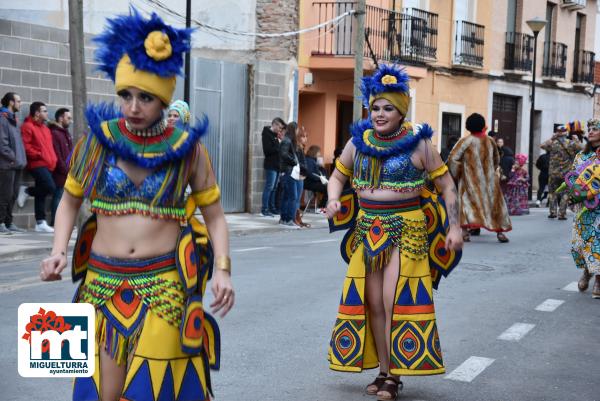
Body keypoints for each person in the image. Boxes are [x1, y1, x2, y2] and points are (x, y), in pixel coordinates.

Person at [39, 9, 234, 400]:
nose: (133, 106)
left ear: (164, 99)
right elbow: (68, 201)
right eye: (126, 95)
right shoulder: (96, 141)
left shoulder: (186, 150)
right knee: (99, 392)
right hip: (100, 285)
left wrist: (223, 271)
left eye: (145, 97)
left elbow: (214, 217)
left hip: (164, 285)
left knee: (155, 391)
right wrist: (58, 251)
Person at [325, 64, 463, 400]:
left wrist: (454, 227)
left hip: (407, 229)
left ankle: (394, 377)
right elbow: (337, 177)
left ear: (401, 112)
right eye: (376, 107)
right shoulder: (358, 143)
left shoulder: (420, 145)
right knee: (373, 303)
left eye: (389, 108)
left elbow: (447, 187)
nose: (380, 114)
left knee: (393, 300)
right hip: (368, 230)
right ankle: (384, 370)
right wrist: (331, 199)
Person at [448, 113, 512, 243]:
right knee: (494, 205)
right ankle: (500, 233)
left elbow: (453, 159)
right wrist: (490, 171)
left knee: (467, 204)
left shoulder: (465, 141)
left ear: (468, 126)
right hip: (489, 180)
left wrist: (459, 172)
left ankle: (465, 233)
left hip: (470, 180)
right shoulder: (490, 141)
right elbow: (496, 159)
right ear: (483, 125)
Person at [561, 119, 600, 298]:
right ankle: (587, 271)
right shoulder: (580, 156)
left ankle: (598, 280)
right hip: (583, 207)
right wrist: (572, 197)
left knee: (597, 242)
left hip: (599, 207)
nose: (590, 132)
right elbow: (573, 180)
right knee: (582, 243)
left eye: (595, 129)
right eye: (589, 129)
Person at [18, 101, 57, 232]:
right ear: (37, 113)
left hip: (48, 164)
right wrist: (40, 154)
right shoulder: (27, 126)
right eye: (44, 111)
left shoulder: (45, 129)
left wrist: (52, 159)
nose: (47, 113)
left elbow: (49, 148)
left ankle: (40, 223)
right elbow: (26, 147)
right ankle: (27, 191)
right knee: (50, 187)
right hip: (36, 163)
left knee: (42, 193)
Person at [541, 124, 580, 220]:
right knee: (566, 193)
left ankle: (553, 212)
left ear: (557, 133)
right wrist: (577, 140)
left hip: (553, 173)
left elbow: (542, 146)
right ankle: (562, 213)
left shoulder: (553, 143)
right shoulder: (571, 143)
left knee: (552, 192)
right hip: (566, 174)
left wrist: (552, 138)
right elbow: (582, 149)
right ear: (566, 133)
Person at [0, 92, 26, 233]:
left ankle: (8, 222)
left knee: (14, 194)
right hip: (7, 164)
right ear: (11, 102)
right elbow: (2, 144)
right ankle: (0, 223)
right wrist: (14, 158)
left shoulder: (13, 119)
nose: (20, 104)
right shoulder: (2, 119)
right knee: (5, 194)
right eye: (18, 101)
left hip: (17, 164)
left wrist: (21, 160)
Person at [48, 107, 73, 226]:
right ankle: (55, 222)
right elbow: (57, 155)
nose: (70, 121)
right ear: (60, 118)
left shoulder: (66, 133)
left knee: (65, 198)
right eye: (68, 118)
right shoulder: (55, 133)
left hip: (68, 172)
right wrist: (66, 170)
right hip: (60, 173)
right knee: (58, 196)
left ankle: (63, 222)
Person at [261, 117, 285, 216]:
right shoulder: (266, 134)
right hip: (271, 165)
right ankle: (264, 209)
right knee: (269, 187)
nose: (280, 130)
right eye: (279, 127)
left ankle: (272, 208)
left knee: (274, 188)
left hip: (277, 165)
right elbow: (267, 151)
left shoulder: (276, 136)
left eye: (281, 128)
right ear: (274, 124)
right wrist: (279, 145)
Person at [279, 121, 301, 228]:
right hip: (289, 172)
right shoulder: (287, 140)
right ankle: (288, 219)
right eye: (297, 130)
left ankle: (284, 219)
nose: (298, 132)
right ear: (294, 129)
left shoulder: (288, 140)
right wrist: (294, 161)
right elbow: (283, 154)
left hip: (288, 171)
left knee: (287, 196)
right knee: (292, 196)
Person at [294, 124, 310, 227]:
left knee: (298, 198)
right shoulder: (297, 148)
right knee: (295, 198)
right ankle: (295, 218)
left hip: (302, 174)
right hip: (298, 174)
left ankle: (298, 218)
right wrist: (305, 170)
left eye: (306, 136)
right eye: (303, 136)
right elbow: (299, 162)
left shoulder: (301, 148)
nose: (305, 139)